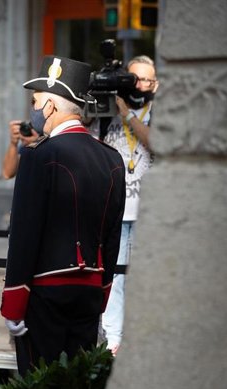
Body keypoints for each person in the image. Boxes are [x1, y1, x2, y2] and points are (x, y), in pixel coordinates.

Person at [0, 56, 126, 375]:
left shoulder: (39, 156)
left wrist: (13, 304)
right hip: (90, 292)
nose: (33, 108)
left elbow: (25, 235)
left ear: (52, 107)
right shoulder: (112, 159)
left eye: (36, 101)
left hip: (43, 295)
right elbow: (111, 238)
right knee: (76, 386)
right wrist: (102, 293)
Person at [97, 56, 158, 355]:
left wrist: (128, 116)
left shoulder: (158, 111)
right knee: (115, 277)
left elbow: (159, 143)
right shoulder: (107, 111)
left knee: (147, 278)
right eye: (136, 79)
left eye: (149, 80)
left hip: (150, 213)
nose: (143, 85)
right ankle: (114, 340)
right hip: (116, 210)